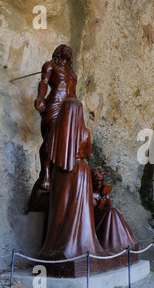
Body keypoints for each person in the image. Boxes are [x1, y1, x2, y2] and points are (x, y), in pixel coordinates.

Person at [38, 98, 107, 260]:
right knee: (78, 209)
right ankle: (81, 246)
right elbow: (87, 152)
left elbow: (47, 151)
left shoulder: (55, 130)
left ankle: (55, 246)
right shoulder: (84, 132)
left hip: (59, 173)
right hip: (79, 171)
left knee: (60, 208)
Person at [28, 44, 78, 213]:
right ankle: (46, 174)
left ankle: (61, 174)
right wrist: (40, 99)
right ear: (58, 53)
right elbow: (44, 82)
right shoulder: (50, 65)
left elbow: (74, 94)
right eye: (63, 52)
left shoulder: (72, 73)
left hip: (69, 110)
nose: (66, 54)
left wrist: (77, 112)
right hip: (54, 105)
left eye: (68, 53)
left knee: (66, 143)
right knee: (50, 138)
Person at [91, 167, 139, 255]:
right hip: (94, 220)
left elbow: (108, 207)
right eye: (96, 181)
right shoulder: (90, 194)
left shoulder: (103, 191)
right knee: (111, 212)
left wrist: (106, 197)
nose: (99, 183)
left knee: (113, 212)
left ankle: (125, 242)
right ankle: (111, 246)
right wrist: (101, 203)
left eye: (101, 181)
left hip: (105, 217)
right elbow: (91, 213)